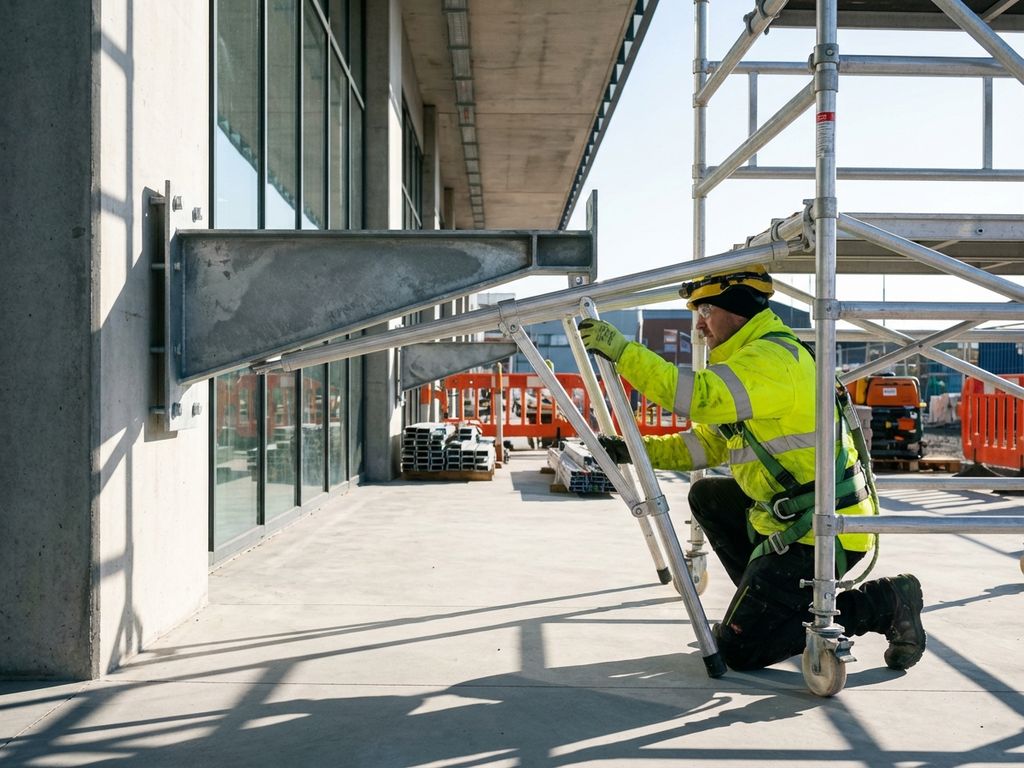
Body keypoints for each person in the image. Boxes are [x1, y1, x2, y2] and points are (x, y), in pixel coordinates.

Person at [577, 265, 926, 672]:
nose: (699, 326)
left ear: (737, 312)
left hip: (822, 531)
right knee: (707, 495)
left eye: (705, 311)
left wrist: (623, 352)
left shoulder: (771, 359)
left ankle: (884, 602)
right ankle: (771, 602)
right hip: (791, 518)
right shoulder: (749, 359)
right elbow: (708, 442)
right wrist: (634, 450)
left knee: (740, 652)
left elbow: (699, 398)